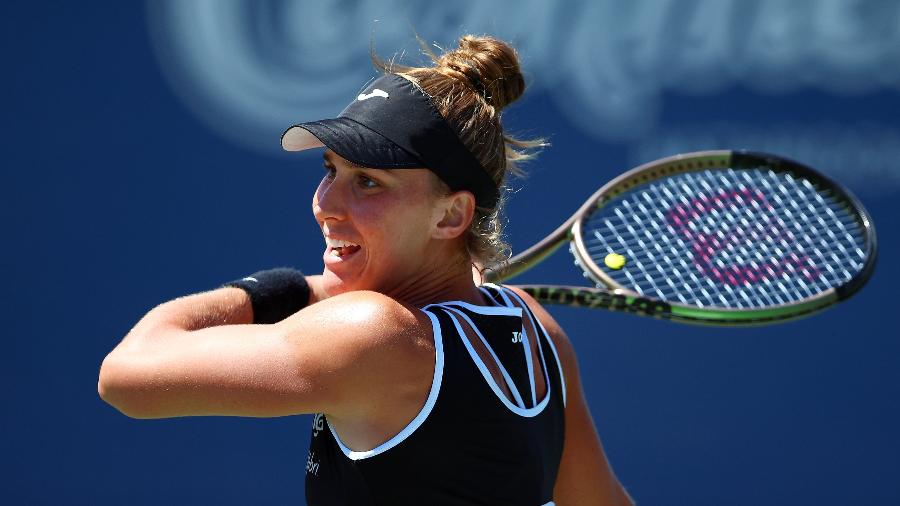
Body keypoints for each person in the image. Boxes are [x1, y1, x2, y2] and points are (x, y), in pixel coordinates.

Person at [98, 35, 633, 506]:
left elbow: (126, 374)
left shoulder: (374, 333)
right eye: (331, 170)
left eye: (369, 182)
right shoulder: (538, 331)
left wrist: (286, 289)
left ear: (451, 215)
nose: (325, 203)